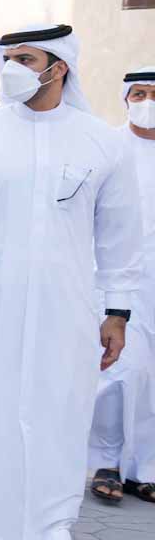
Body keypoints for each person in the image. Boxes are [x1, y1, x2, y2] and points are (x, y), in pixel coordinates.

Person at [0, 25, 142, 540]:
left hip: (66, 309)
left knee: (57, 418)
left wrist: (117, 312)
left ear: (59, 67)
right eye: (6, 58)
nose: (12, 68)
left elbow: (120, 236)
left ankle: (53, 538)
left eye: (24, 58)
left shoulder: (102, 142)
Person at [91, 67, 155, 506]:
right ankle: (106, 461)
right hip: (117, 281)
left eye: (153, 93)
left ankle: (144, 468)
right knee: (119, 369)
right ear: (125, 98)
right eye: (139, 92)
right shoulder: (109, 148)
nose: (147, 101)